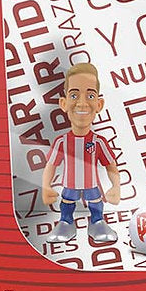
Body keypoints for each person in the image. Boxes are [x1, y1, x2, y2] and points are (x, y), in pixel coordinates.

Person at [42, 63, 121, 243]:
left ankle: (97, 222)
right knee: (67, 202)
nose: (82, 103)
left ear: (99, 104)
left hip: (91, 183)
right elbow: (50, 166)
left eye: (90, 96)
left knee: (95, 202)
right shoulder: (61, 141)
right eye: (74, 95)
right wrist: (46, 186)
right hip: (70, 184)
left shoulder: (98, 142)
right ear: (63, 103)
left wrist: (116, 186)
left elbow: (111, 166)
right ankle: (66, 222)